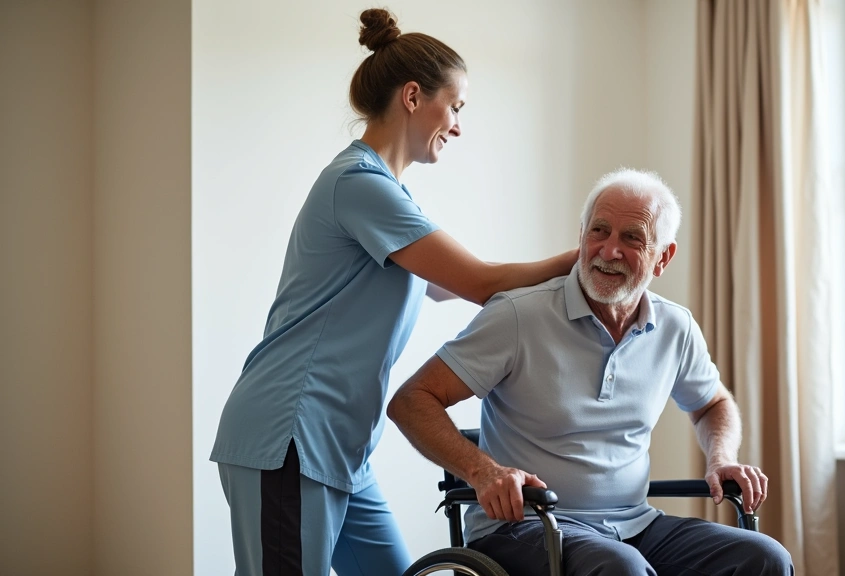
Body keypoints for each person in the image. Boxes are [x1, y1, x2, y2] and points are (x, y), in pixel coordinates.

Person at [210, 8, 576, 576]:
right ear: (412, 97)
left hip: (341, 449)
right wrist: (588, 258)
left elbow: (449, 287)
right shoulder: (358, 184)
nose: (457, 125)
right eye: (454, 107)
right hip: (290, 437)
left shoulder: (387, 194)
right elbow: (479, 281)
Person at [387, 168, 794, 576]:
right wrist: (482, 471)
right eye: (599, 231)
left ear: (663, 258)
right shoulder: (518, 315)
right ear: (581, 236)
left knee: (765, 559)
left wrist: (721, 458)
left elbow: (713, 404)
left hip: (636, 524)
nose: (609, 250)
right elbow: (411, 401)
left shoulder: (675, 327)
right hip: (524, 526)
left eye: (632, 237)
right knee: (621, 568)